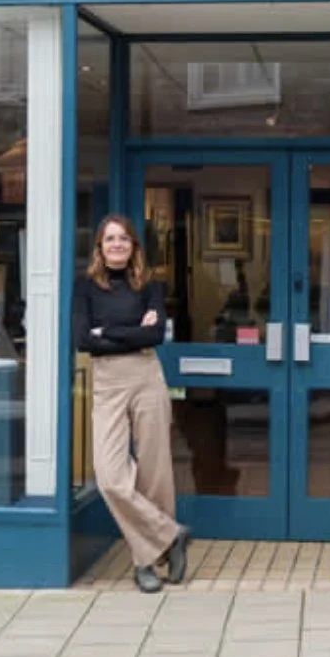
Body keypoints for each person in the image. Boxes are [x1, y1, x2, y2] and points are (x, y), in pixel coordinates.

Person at [72, 213, 190, 593]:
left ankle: (145, 562)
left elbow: (155, 335)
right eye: (110, 239)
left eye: (124, 239)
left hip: (146, 376)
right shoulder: (85, 286)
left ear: (134, 245)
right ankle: (170, 535)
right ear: (100, 247)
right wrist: (131, 333)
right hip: (107, 381)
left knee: (155, 472)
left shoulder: (149, 285)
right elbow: (82, 341)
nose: (117, 245)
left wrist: (106, 331)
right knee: (110, 477)